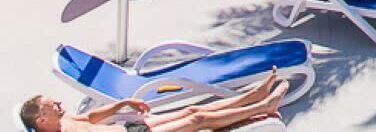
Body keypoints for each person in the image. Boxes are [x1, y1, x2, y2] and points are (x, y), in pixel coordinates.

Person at [21, 73, 292, 132]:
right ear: (41, 120)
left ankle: (251, 97)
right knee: (197, 121)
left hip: (130, 129)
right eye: (50, 105)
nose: (57, 102)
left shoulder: (65, 121)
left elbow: (91, 119)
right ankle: (262, 107)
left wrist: (122, 103)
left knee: (191, 109)